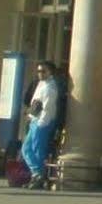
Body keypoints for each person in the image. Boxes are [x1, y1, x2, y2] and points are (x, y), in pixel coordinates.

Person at [19, 61, 64, 189]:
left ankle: (39, 177)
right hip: (34, 120)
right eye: (39, 71)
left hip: (43, 122)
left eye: (43, 71)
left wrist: (41, 124)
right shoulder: (40, 84)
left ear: (50, 72)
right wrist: (30, 115)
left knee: (38, 150)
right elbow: (35, 103)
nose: (40, 74)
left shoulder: (51, 87)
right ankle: (36, 173)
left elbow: (48, 107)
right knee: (26, 148)